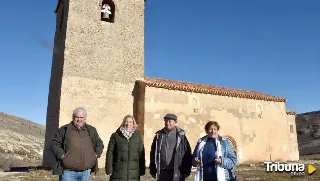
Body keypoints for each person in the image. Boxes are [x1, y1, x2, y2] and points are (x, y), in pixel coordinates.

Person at [50, 107, 104, 181]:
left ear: (85, 118)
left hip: (85, 172)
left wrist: (95, 155)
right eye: (77, 117)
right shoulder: (64, 129)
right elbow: (54, 143)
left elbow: (99, 143)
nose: (79, 120)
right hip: (68, 172)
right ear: (73, 117)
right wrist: (62, 156)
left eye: (81, 117)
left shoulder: (91, 130)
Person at [149, 113, 192, 181]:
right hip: (162, 171)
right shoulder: (159, 135)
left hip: (177, 171)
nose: (167, 123)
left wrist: (186, 171)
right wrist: (153, 169)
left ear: (175, 123)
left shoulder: (181, 136)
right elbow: (153, 153)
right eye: (166, 121)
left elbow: (187, 154)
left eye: (170, 121)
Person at [105, 115, 145, 181]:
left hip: (133, 174)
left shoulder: (138, 137)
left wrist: (142, 170)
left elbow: (141, 154)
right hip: (118, 173)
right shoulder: (115, 136)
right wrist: (109, 170)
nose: (128, 124)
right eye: (126, 122)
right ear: (123, 123)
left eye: (130, 122)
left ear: (133, 124)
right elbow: (110, 153)